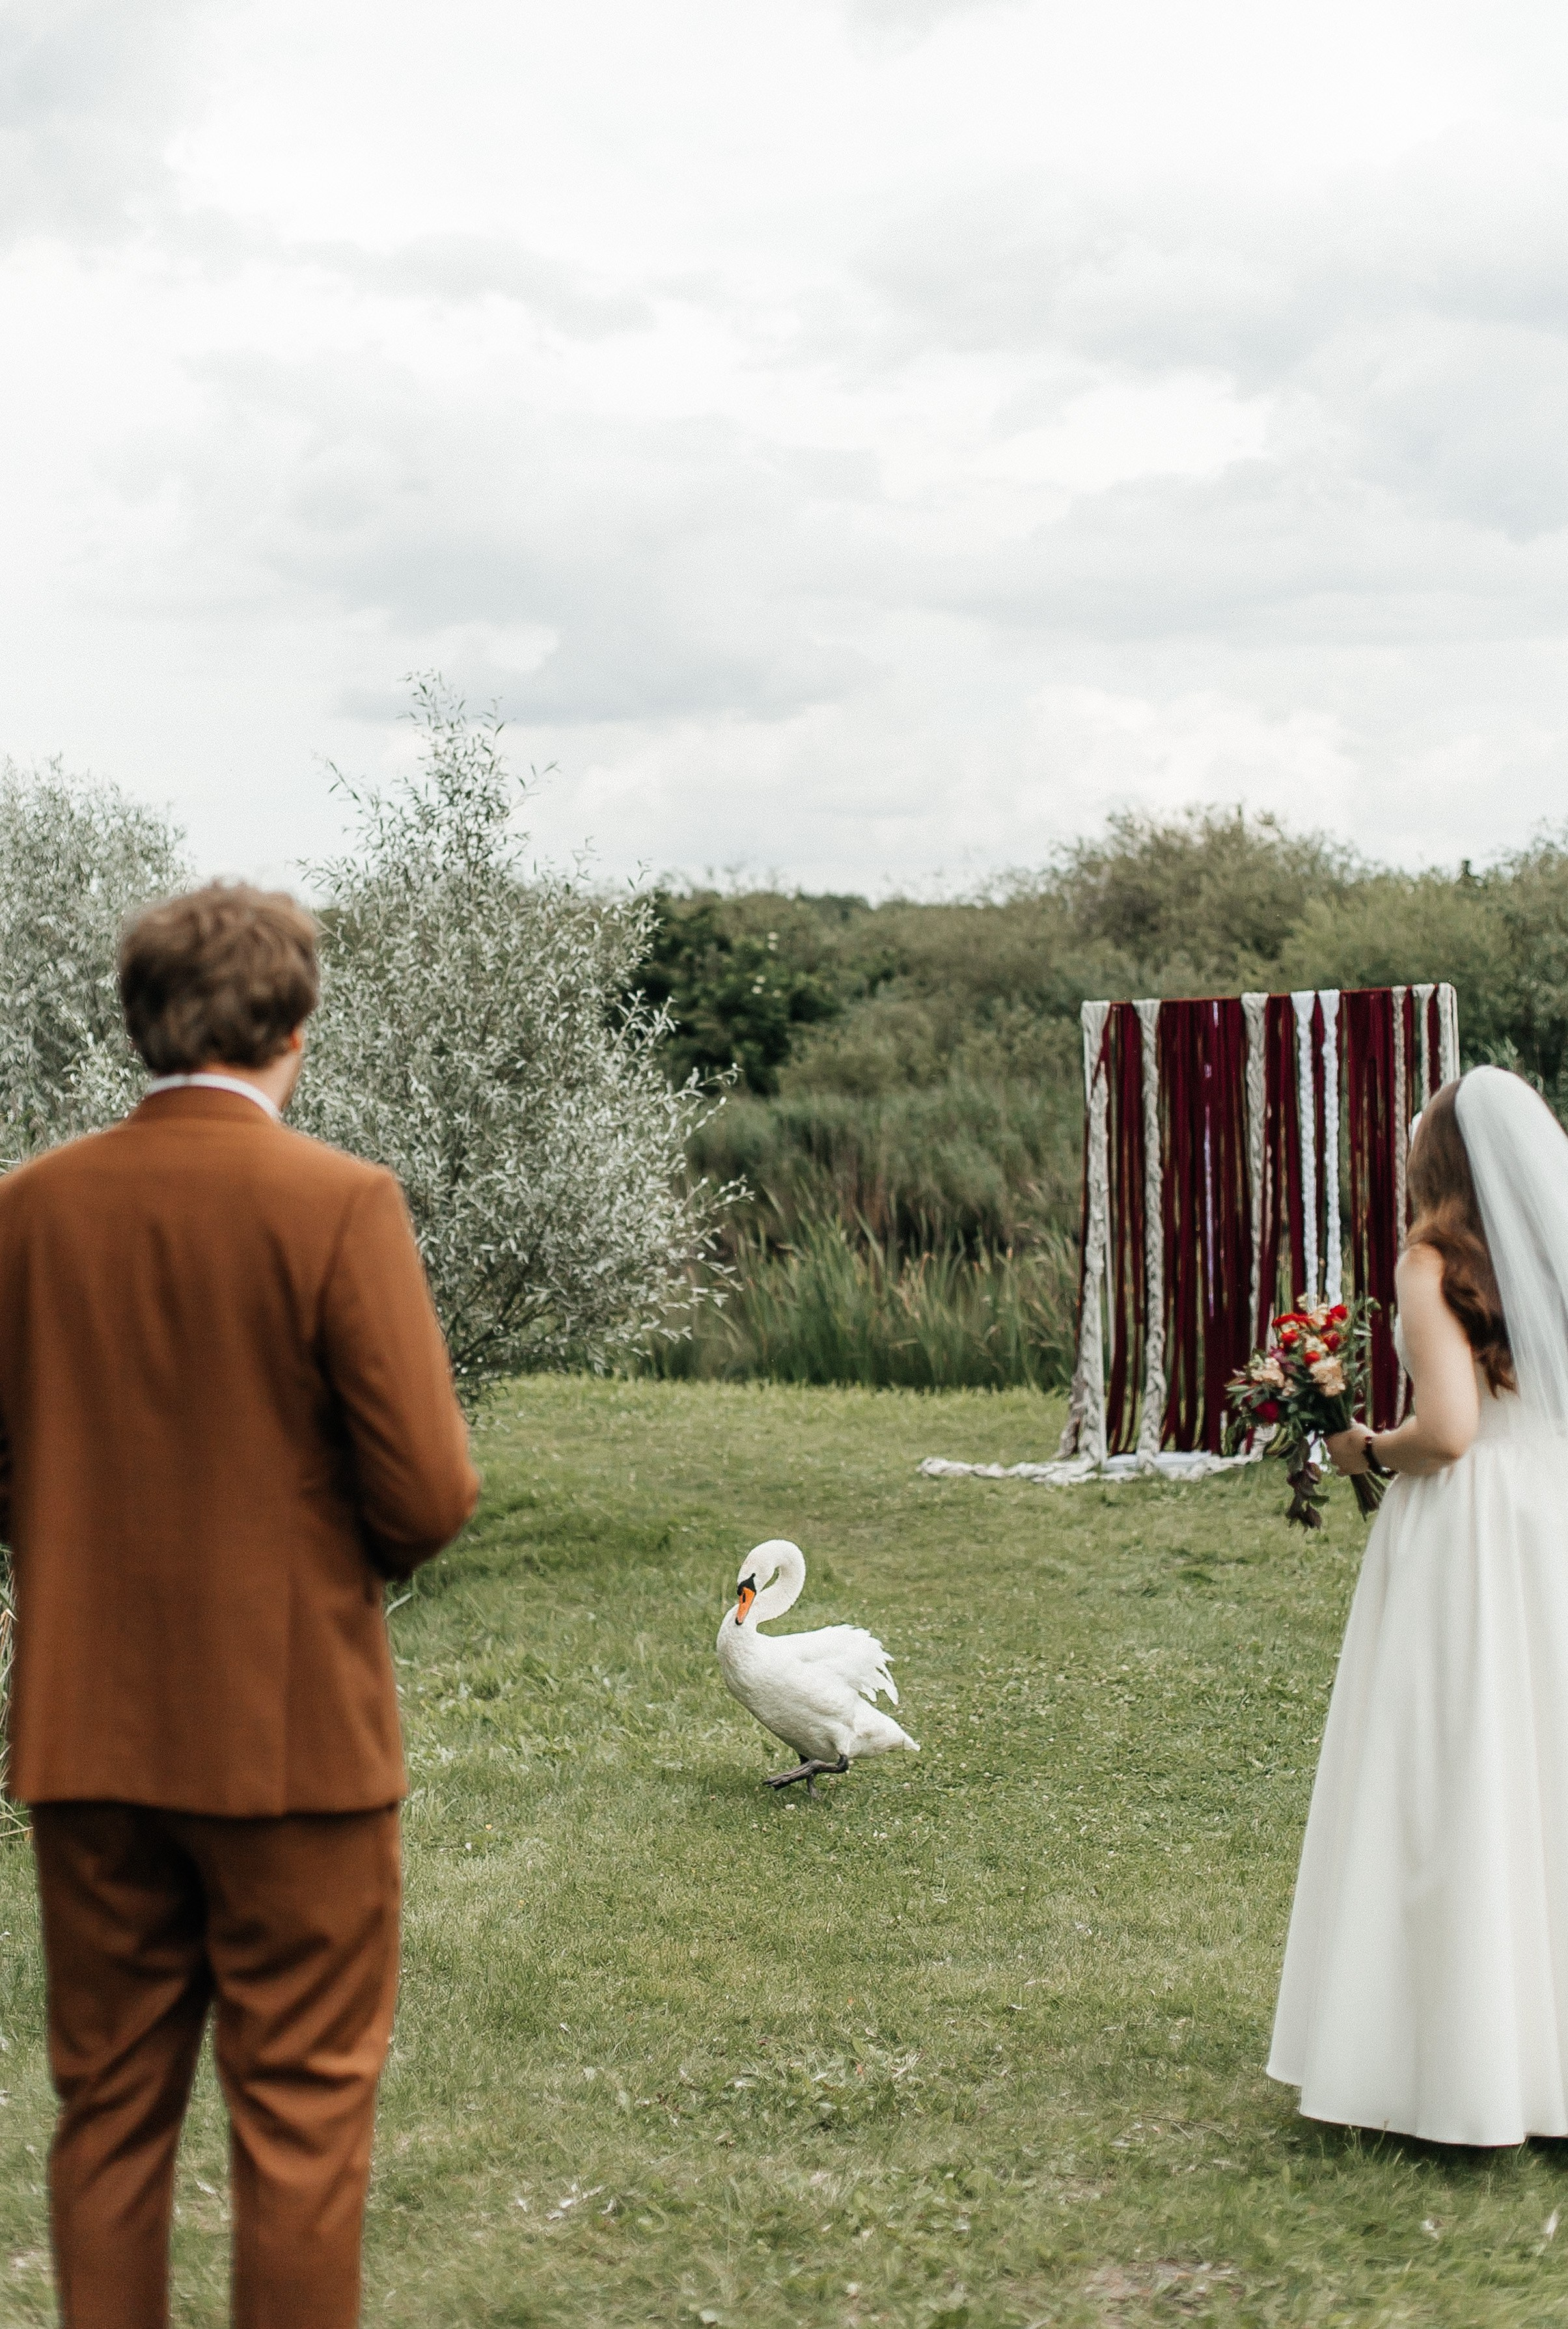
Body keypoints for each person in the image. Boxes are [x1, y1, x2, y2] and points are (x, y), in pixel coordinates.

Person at [0, 883, 480, 2326]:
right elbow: (428, 1491)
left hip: (84, 1736)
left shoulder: (22, 1210)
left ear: (138, 1019)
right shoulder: (339, 1205)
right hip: (295, 1748)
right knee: (303, 2122)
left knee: (107, 2115)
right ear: (294, 1023)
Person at [1269, 1064, 1568, 2145]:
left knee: (1451, 1772)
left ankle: (1441, 2058)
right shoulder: (1546, 1258)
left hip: (1471, 1533)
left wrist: (1358, 1446)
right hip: (1552, 1519)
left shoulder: (1434, 1261)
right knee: (1543, 1770)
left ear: (1430, 1162)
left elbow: (1446, 1433)